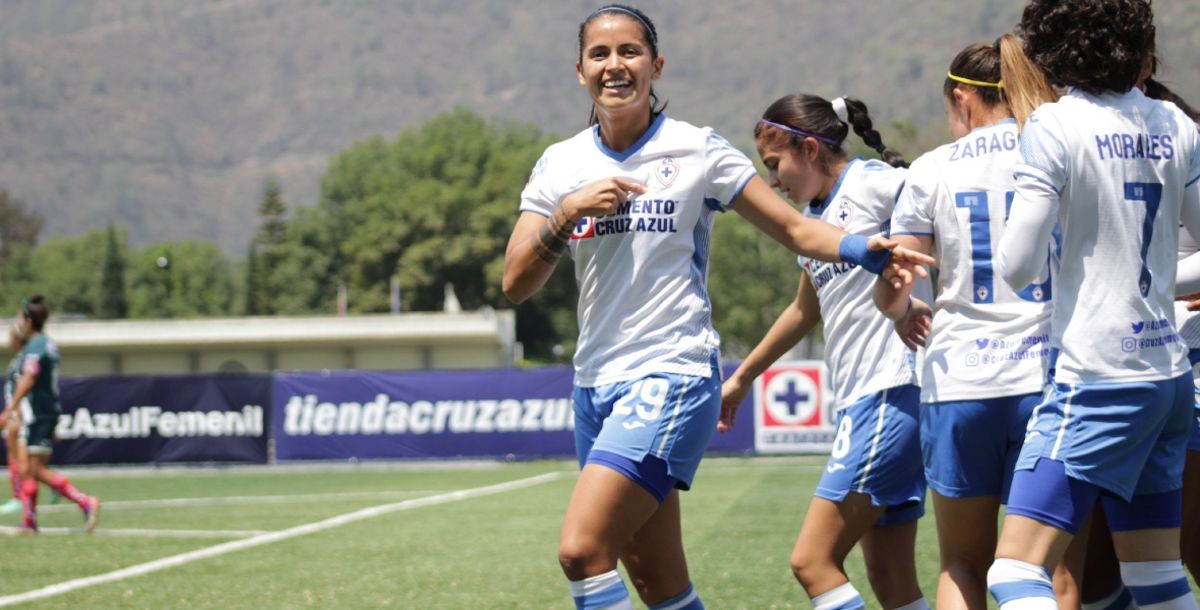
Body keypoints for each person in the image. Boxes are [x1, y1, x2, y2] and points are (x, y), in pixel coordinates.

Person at [501, 5, 933, 609]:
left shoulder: (697, 149)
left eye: (629, 52)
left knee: (582, 550)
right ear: (580, 71)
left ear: (656, 65)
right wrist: (566, 214)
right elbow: (516, 282)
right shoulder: (559, 164)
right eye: (600, 55)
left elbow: (795, 231)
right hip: (592, 383)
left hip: (671, 372)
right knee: (659, 586)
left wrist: (861, 247)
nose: (614, 66)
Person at [975, 1, 1200, 608]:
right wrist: (1142, 282)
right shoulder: (1177, 124)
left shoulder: (1055, 126)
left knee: (1014, 573)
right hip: (1170, 379)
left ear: (1051, 48)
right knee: (1156, 578)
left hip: (1095, 378)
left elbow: (1017, 268)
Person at [720, 92, 929, 610]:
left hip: (894, 391)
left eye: (774, 165)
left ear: (810, 148)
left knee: (811, 562)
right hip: (867, 400)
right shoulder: (816, 220)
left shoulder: (875, 184)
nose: (772, 182)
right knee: (891, 578)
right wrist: (743, 376)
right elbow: (802, 311)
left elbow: (952, 215)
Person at [872, 39, 1055, 610]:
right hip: (1049, 376)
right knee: (1052, 571)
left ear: (962, 98)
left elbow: (895, 287)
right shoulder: (1055, 151)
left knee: (962, 563)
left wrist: (906, 313)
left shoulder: (930, 168)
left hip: (961, 383)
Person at [0, 295, 100, 534]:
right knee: (27, 469)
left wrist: (10, 409)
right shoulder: (47, 344)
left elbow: (30, 379)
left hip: (36, 413)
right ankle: (30, 522)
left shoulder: (36, 347)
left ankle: (85, 502)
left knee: (34, 470)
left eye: (20, 318)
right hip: (42, 412)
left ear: (27, 320)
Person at [0, 320, 29, 515]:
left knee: (19, 457)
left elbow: (21, 388)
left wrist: (13, 413)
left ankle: (19, 497)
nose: (9, 339)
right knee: (22, 457)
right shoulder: (21, 358)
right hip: (17, 412)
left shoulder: (22, 360)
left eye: (11, 335)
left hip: (18, 414)